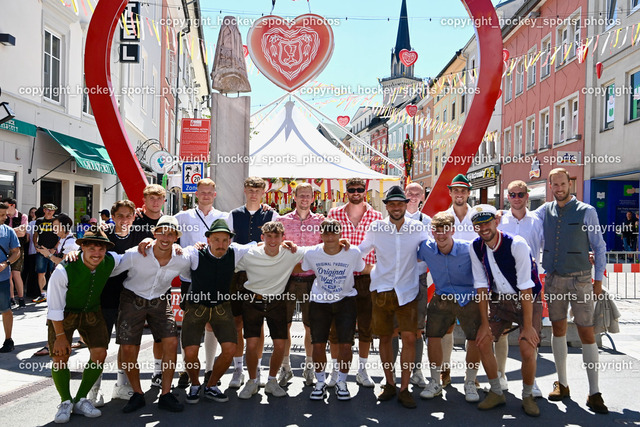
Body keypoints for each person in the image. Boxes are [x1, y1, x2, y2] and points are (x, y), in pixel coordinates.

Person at [533, 168, 608, 414]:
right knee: (558, 330)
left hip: (581, 280)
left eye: (562, 184)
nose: (559, 188)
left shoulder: (587, 211)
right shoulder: (544, 210)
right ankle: (562, 384)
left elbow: (599, 246)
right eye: (554, 184)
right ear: (550, 186)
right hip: (554, 278)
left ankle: (594, 391)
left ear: (570, 184)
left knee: (587, 332)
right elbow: (523, 217)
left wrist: (598, 281)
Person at [358, 186, 430, 409]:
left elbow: (430, 252)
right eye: (392, 204)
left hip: (408, 291)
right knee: (385, 338)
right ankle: (390, 383)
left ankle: (404, 388)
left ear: (406, 205)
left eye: (400, 203)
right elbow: (359, 251)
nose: (396, 207)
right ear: (386, 206)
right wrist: (344, 254)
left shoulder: (418, 227)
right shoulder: (376, 227)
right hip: (382, 290)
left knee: (409, 338)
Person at [469, 204, 543, 417]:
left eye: (487, 223)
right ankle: (496, 391)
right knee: (482, 341)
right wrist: (484, 324)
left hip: (526, 299)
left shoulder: (516, 244)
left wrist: (527, 327)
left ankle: (527, 395)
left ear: (496, 222)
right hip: (499, 300)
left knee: (527, 347)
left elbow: (526, 287)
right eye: (478, 225)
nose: (483, 228)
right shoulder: (475, 247)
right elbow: (481, 286)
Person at [112, 216, 190, 413]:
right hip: (132, 298)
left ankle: (166, 394)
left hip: (159, 300)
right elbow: (113, 268)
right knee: (128, 347)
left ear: (176, 238)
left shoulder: (181, 258)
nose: (165, 237)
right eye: (161, 233)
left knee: (171, 341)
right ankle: (137, 394)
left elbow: (194, 269)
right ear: (154, 234)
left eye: (170, 234)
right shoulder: (136, 254)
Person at [46, 226, 118, 423]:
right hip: (64, 314)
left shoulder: (111, 260)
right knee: (60, 355)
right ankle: (65, 401)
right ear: (82, 247)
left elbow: (132, 256)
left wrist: (148, 243)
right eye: (92, 248)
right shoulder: (63, 270)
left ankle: (80, 399)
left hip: (92, 312)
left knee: (100, 353)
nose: (97, 253)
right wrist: (60, 337)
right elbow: (54, 307)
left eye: (101, 248)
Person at [180, 219, 253, 405]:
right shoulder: (195, 253)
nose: (221, 244)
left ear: (230, 241)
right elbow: (176, 253)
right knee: (190, 351)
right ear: (208, 240)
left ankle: (211, 385)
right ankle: (195, 384)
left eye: (224, 240)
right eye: (216, 239)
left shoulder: (235, 251)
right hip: (196, 306)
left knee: (230, 349)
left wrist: (286, 244)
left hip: (222, 306)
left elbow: (258, 245)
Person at [236, 221, 306, 400]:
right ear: (262, 237)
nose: (273, 240)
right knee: (252, 344)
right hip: (252, 301)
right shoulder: (250, 254)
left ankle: (272, 381)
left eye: (276, 236)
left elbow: (318, 251)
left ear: (283, 238)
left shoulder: (290, 253)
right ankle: (252, 381)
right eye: (269, 236)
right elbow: (225, 258)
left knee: (280, 344)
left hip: (277, 302)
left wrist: (341, 243)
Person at [416, 212, 481, 403]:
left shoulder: (469, 248)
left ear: (452, 230)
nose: (441, 235)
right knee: (433, 336)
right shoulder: (426, 248)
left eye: (445, 230)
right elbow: (404, 254)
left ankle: (470, 382)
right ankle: (435, 381)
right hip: (442, 296)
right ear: (432, 232)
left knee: (474, 339)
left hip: (468, 298)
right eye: (437, 231)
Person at [327, 178, 382, 388]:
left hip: (366, 278)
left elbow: (380, 248)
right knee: (336, 328)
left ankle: (362, 370)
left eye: (359, 189)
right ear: (347, 192)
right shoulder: (334, 214)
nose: (356, 192)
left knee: (366, 326)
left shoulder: (376, 217)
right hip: (340, 277)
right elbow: (327, 243)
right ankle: (335, 370)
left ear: (365, 191)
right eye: (352, 189)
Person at [303, 219, 367, 401]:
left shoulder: (353, 252)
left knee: (346, 344)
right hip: (319, 302)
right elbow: (297, 259)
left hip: (345, 300)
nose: (330, 237)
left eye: (334, 233)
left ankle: (342, 382)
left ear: (340, 234)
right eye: (326, 233)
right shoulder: (311, 253)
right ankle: (320, 382)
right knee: (318, 344)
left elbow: (363, 269)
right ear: (321, 235)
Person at [174, 178, 229, 389]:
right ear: (196, 194)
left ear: (215, 195)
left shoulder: (224, 217)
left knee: (211, 324)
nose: (206, 195)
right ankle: (186, 370)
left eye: (209, 192)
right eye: (202, 192)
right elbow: (164, 230)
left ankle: (209, 369)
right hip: (190, 278)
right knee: (189, 324)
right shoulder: (181, 216)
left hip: (214, 278)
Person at [227, 177, 278, 389]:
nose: (254, 194)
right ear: (245, 191)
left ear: (263, 192)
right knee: (237, 322)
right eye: (250, 190)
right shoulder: (233, 214)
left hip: (260, 274)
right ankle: (238, 368)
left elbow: (277, 242)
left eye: (257, 190)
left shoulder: (271, 215)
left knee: (258, 323)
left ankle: (256, 368)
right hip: (237, 274)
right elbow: (227, 243)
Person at [497, 180, 544, 397]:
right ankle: (500, 375)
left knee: (531, 334)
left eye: (520, 194)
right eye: (513, 194)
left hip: (530, 287)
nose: (516, 198)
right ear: (508, 197)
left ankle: (531, 381)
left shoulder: (537, 221)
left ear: (527, 196)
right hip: (503, 287)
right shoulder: (499, 220)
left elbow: (549, 248)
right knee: (500, 334)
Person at [276, 182, 324, 387]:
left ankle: (309, 365)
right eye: (301, 195)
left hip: (312, 279)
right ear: (294, 197)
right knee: (284, 324)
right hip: (287, 278)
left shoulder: (321, 221)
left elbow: (326, 246)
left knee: (310, 326)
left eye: (308, 195)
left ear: (313, 198)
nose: (304, 198)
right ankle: (285, 367)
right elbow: (274, 244)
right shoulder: (282, 221)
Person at [132, 184, 167, 390]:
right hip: (134, 287)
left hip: (160, 287)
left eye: (158, 198)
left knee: (160, 335)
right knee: (131, 337)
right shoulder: (135, 220)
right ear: (144, 201)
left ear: (164, 201)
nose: (155, 202)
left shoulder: (168, 222)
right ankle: (125, 379)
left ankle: (157, 372)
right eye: (151, 198)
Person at [402, 182, 432, 388]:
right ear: (405, 194)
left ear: (423, 197)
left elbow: (431, 248)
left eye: (417, 193)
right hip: (397, 278)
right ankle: (391, 371)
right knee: (395, 327)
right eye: (410, 192)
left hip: (419, 277)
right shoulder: (394, 218)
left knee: (418, 328)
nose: (413, 196)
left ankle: (417, 371)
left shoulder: (428, 221)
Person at [0, 202, 21, 353]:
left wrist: (5, 263)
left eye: (6, 214)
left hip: (2, 278)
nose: (5, 217)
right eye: (2, 215)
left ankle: (8, 340)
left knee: (5, 309)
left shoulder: (8, 231)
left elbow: (16, 252)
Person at [3, 198, 28, 309]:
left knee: (16, 273)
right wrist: (16, 230)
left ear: (12, 205)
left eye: (5, 206)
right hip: (4, 248)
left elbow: (22, 233)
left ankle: (21, 299)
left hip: (18, 248)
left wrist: (8, 231)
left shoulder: (23, 216)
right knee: (8, 274)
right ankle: (12, 299)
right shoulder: (3, 216)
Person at [33, 203, 59, 303]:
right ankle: (43, 294)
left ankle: (53, 293)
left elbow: (60, 236)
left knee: (54, 272)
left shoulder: (56, 221)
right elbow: (35, 234)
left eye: (52, 210)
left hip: (52, 250)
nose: (50, 212)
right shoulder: (39, 221)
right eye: (48, 210)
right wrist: (36, 245)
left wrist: (55, 248)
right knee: (41, 272)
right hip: (41, 249)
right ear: (44, 210)